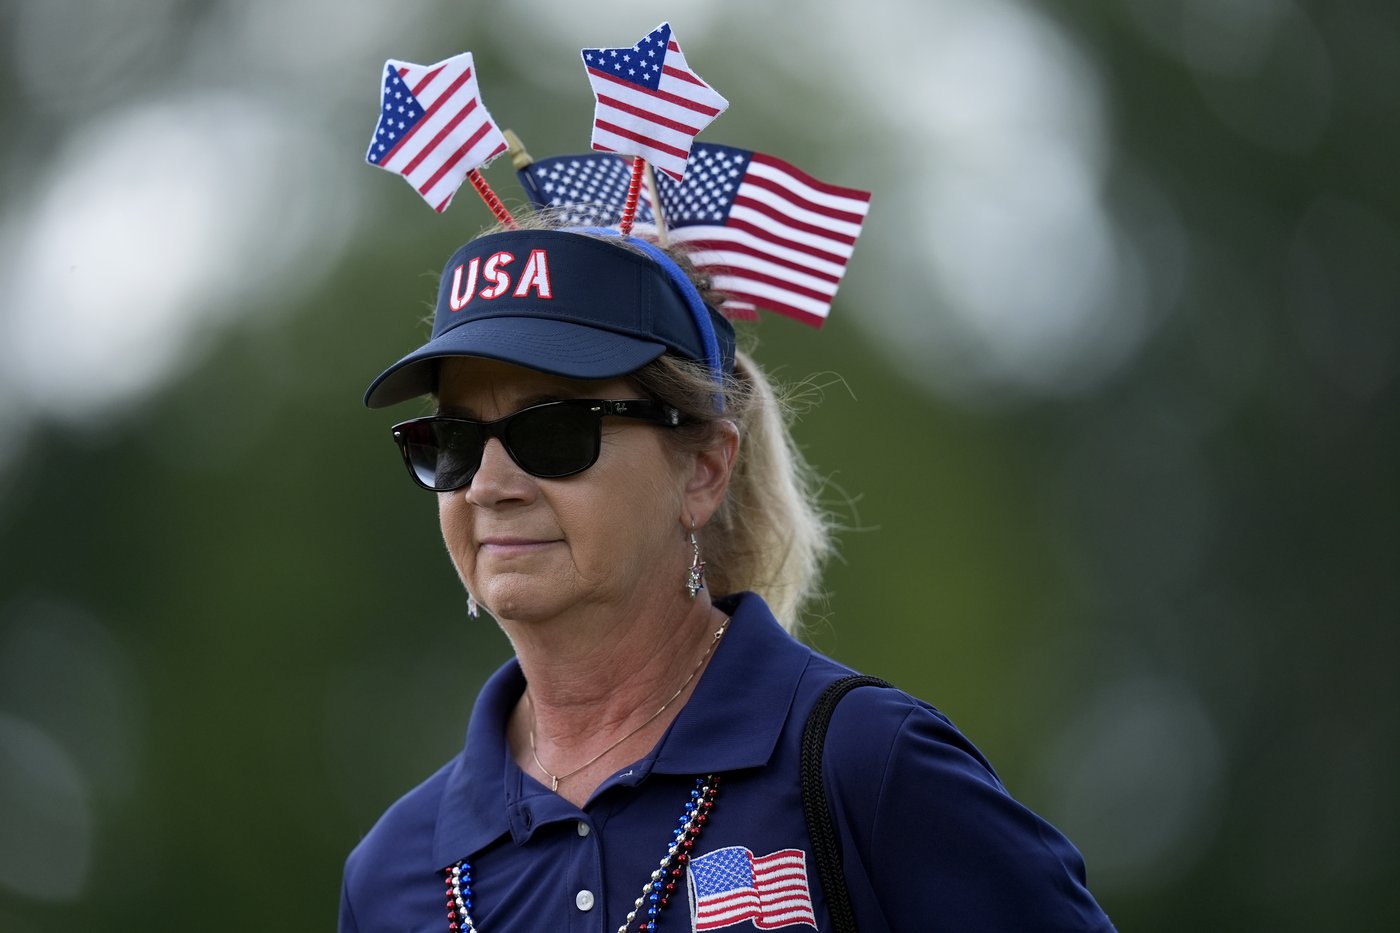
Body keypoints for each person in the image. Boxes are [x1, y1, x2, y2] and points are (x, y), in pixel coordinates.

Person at [340, 221, 1116, 932]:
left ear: (704, 469)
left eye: (555, 429)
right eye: (452, 440)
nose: (487, 484)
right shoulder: (391, 873)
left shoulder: (867, 763)